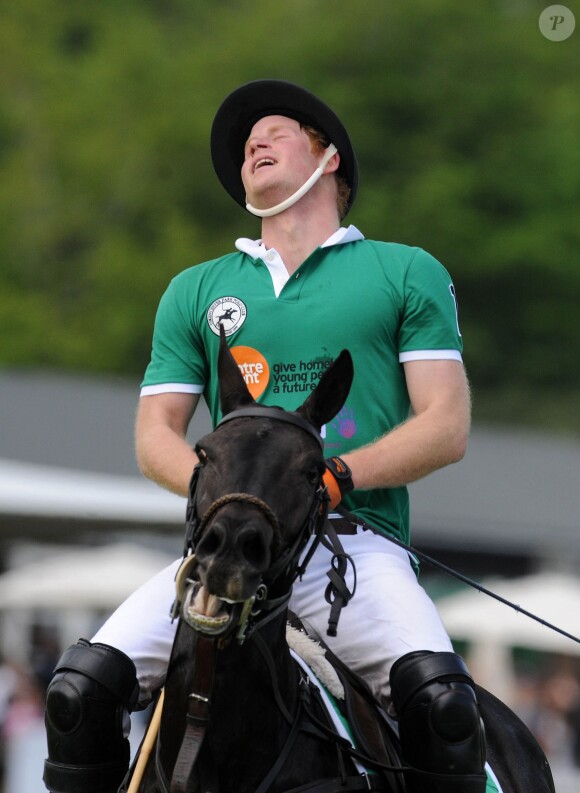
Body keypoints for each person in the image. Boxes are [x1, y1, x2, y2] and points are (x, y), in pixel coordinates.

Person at [44, 79, 486, 793]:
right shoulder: (198, 288)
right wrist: (230, 501)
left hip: (353, 544)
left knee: (444, 708)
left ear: (329, 156)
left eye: (276, 130)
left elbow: (446, 424)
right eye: (248, 141)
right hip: (225, 553)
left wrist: (334, 476)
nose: (254, 141)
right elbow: (156, 433)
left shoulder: (404, 271)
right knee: (77, 692)